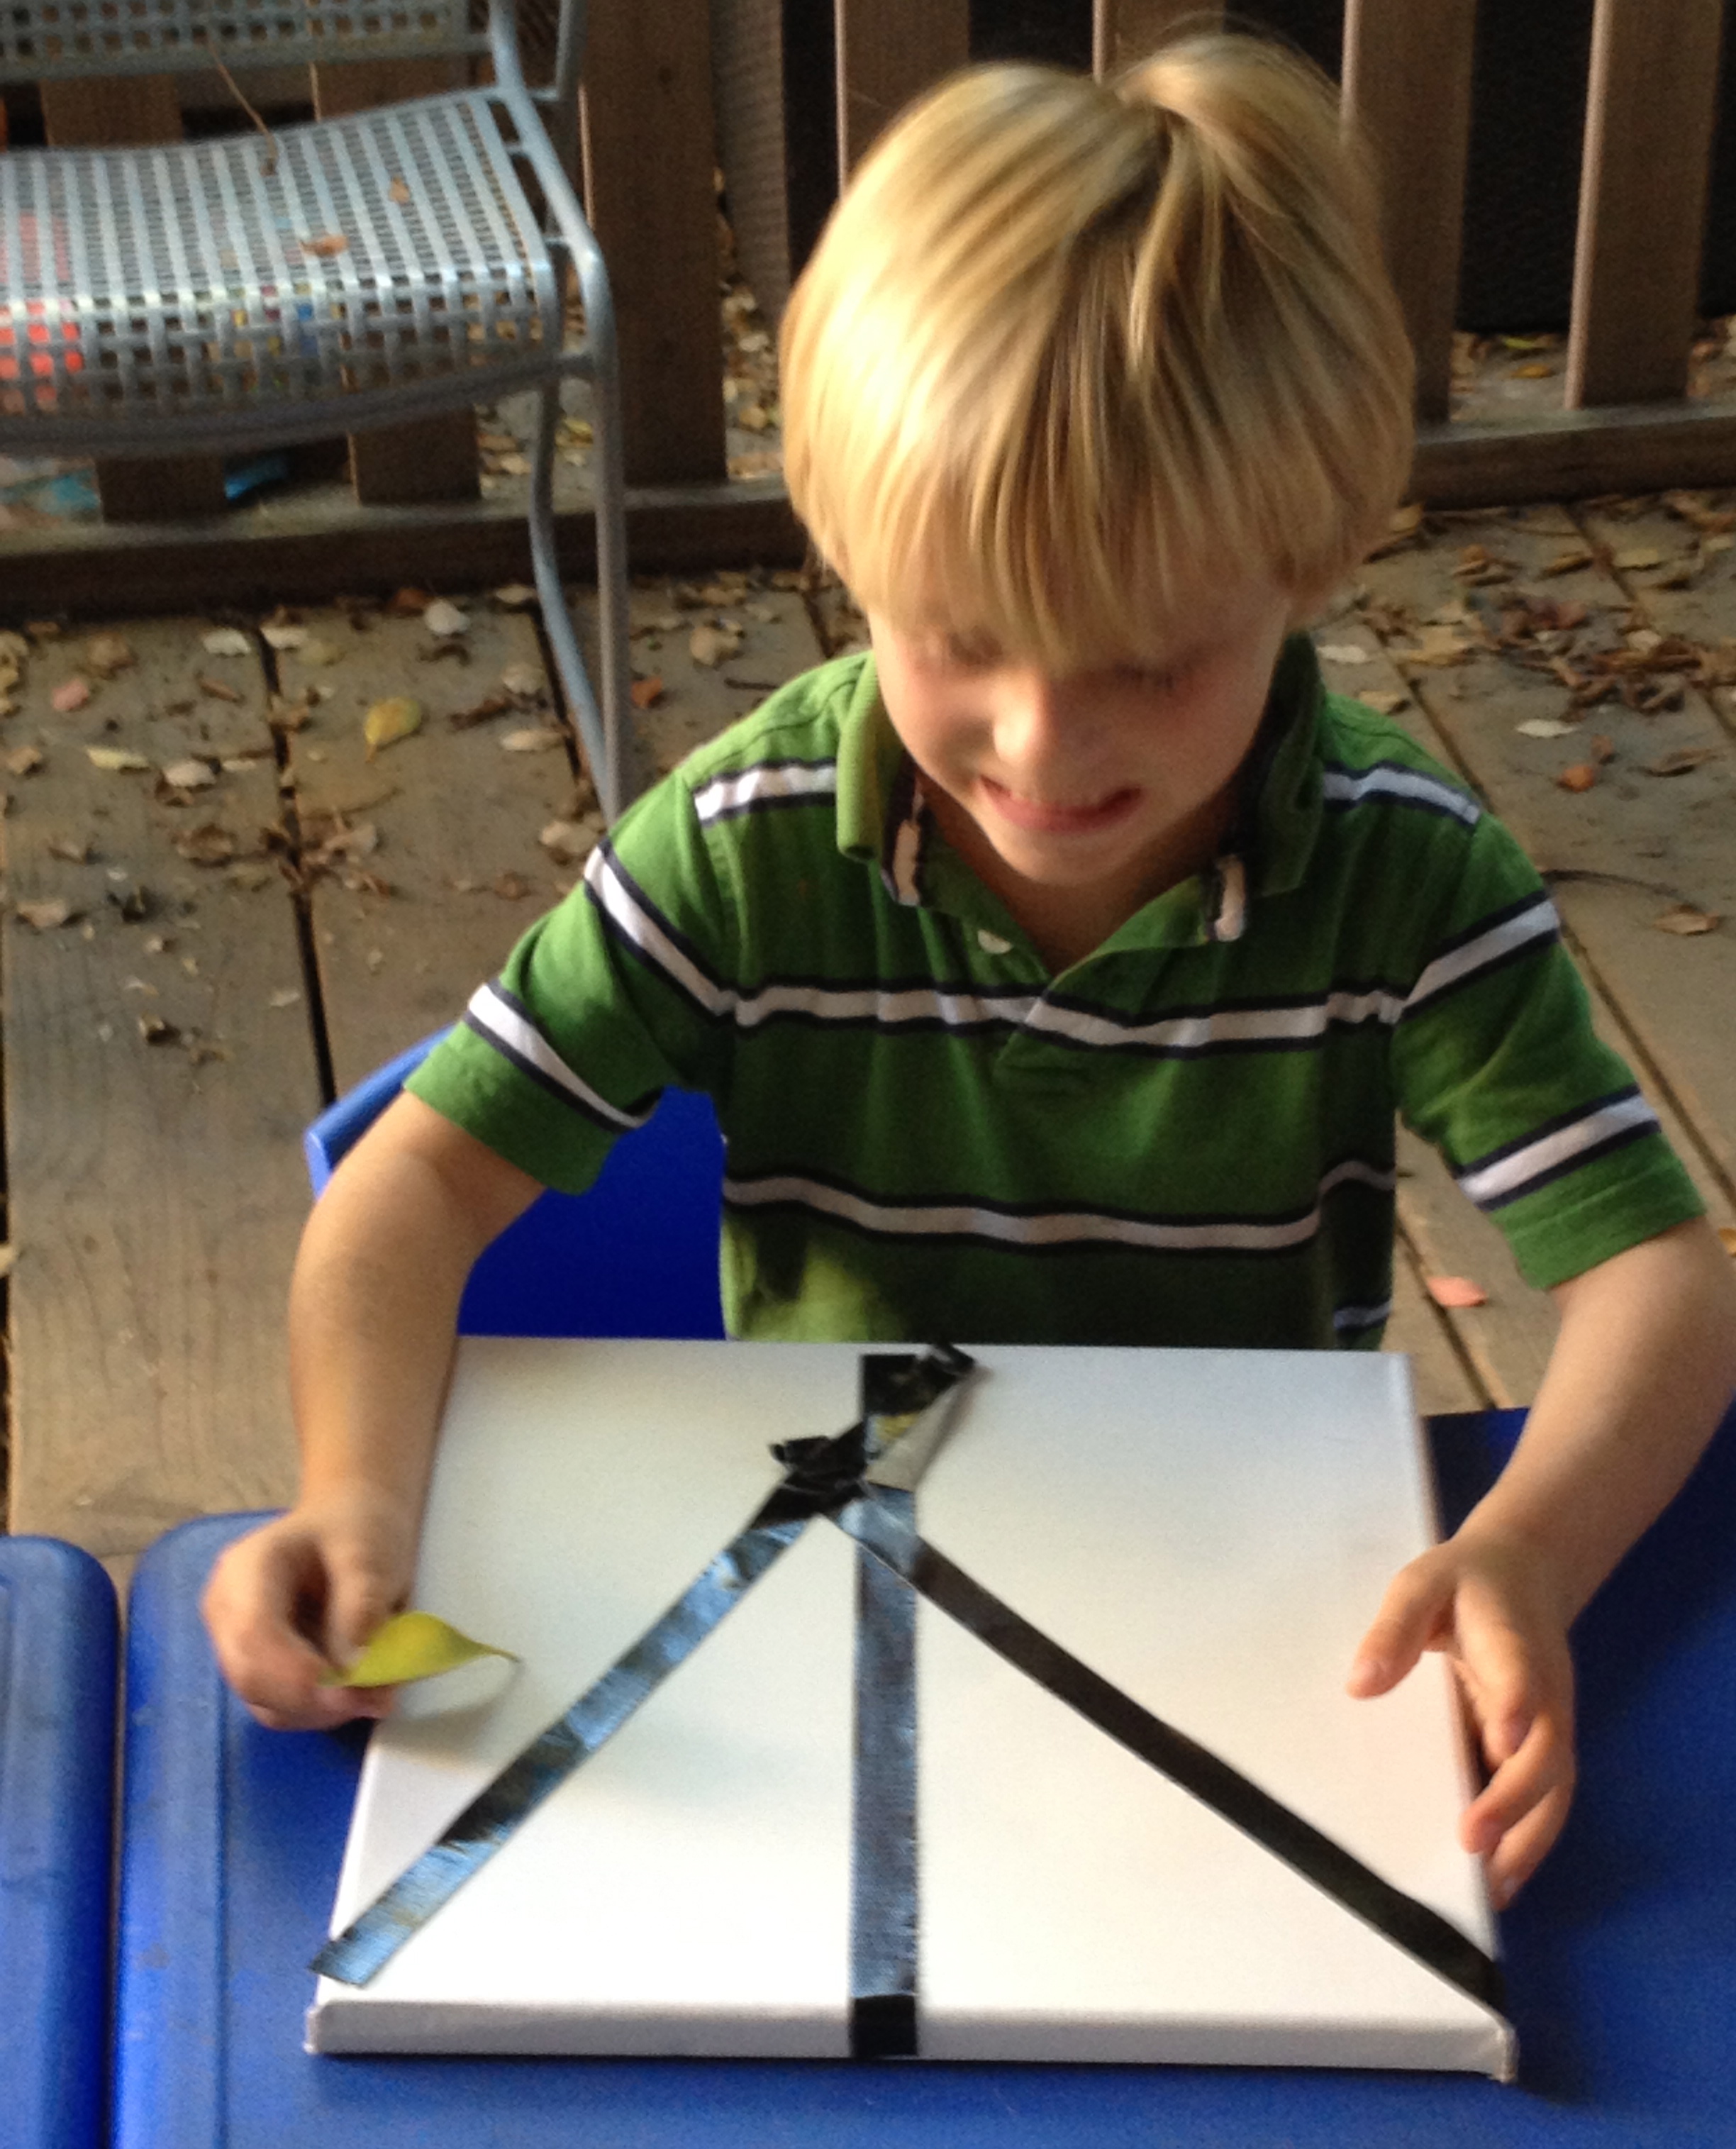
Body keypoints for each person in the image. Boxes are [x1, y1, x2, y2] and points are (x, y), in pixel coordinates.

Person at [203, 33, 1736, 1910]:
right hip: (818, 1600)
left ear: (1316, 562)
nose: (1041, 745)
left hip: (1242, 1613)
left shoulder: (1410, 877)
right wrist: (353, 1495)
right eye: (960, 639)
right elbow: (418, 1186)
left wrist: (1530, 1551)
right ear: (850, 549)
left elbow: (1659, 1281)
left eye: (1152, 661)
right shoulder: (745, 842)